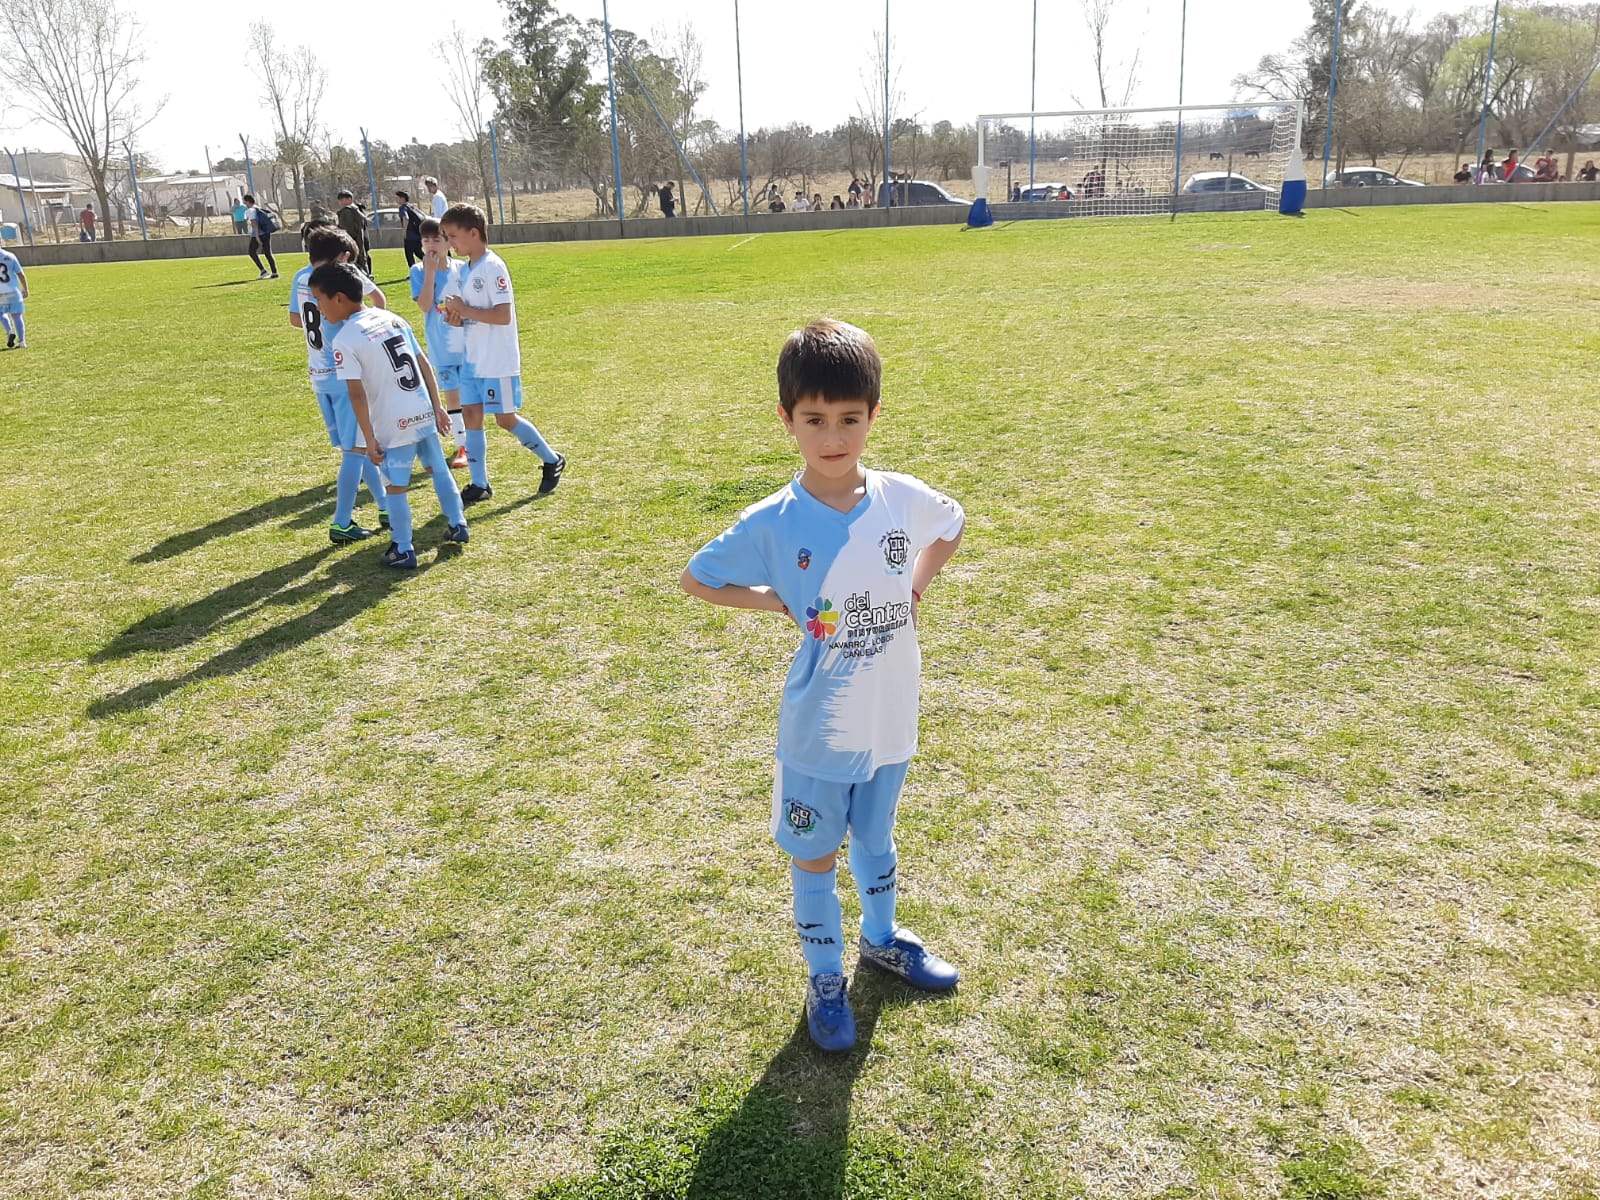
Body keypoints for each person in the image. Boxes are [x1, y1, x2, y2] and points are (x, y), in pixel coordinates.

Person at [678, 318, 967, 1053]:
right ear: (787, 419)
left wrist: (915, 587)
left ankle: (882, 938)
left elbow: (952, 525)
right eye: (814, 420)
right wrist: (776, 601)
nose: (833, 437)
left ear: (874, 414)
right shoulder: (772, 521)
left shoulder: (900, 497)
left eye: (849, 418)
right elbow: (697, 578)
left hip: (891, 716)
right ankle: (825, 978)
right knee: (815, 855)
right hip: (819, 733)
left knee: (876, 836)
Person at [313, 262, 469, 570]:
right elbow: (423, 364)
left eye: (320, 299)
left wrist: (369, 437)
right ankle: (458, 523)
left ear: (339, 298)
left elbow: (356, 394)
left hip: (393, 422)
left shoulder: (345, 339)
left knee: (395, 486)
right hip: (421, 409)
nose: (319, 308)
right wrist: (437, 406)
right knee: (439, 469)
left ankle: (402, 547)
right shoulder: (391, 318)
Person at [438, 202, 566, 504]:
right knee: (471, 415)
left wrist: (464, 309)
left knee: (505, 419)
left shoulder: (493, 266)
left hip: (497, 360)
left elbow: (502, 315)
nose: (450, 243)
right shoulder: (464, 270)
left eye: (453, 236)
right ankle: (479, 483)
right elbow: (470, 314)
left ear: (473, 233)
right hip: (472, 359)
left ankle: (552, 459)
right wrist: (456, 318)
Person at [289, 227, 391, 542]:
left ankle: (385, 506)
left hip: (319, 376)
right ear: (344, 257)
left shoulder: (300, 278)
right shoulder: (343, 278)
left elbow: (295, 319)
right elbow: (378, 299)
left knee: (356, 446)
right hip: (345, 375)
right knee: (355, 450)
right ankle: (341, 522)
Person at [411, 217, 471, 472]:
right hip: (441, 347)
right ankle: (462, 445)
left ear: (449, 242)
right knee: (452, 395)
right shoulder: (418, 271)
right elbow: (425, 305)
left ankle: (473, 439)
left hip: (467, 344)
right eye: (426, 240)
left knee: (471, 396)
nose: (431, 245)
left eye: (437, 239)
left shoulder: (463, 269)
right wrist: (430, 274)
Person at [335, 189, 372, 276]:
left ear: (349, 199)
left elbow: (347, 230)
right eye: (340, 200)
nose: (340, 202)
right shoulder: (358, 210)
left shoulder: (346, 212)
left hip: (351, 242)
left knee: (353, 264)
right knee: (362, 263)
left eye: (342, 199)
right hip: (361, 241)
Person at [242, 193, 279, 278]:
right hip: (266, 233)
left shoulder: (250, 211)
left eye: (245, 202)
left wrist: (257, 237)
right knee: (268, 253)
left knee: (251, 252)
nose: (245, 204)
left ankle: (263, 271)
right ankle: (274, 272)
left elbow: (254, 224)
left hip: (258, 234)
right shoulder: (258, 208)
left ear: (248, 202)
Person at [0, 245, 29, 349]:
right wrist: (25, 289)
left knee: (1, 313)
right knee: (17, 316)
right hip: (13, 290)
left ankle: (10, 331)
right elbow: (20, 274)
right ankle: (22, 342)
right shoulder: (10, 256)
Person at [395, 190, 427, 267]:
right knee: (418, 252)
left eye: (397, 198)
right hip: (418, 234)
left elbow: (406, 218)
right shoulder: (412, 207)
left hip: (410, 235)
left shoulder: (402, 208)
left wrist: (404, 231)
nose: (396, 200)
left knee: (409, 255)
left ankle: (413, 270)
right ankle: (432, 263)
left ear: (402, 198)